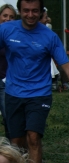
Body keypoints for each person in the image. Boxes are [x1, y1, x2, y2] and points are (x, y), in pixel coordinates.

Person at [0, 0, 69, 163]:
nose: (30, 15)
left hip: (39, 94)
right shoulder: (6, 30)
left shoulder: (49, 37)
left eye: (35, 11)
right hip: (13, 93)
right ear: (20, 11)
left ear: (41, 12)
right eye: (26, 11)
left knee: (33, 137)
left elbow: (66, 65)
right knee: (16, 142)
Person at [0, 4, 16, 138]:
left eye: (11, 17)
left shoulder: (16, 37)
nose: (7, 19)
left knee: (9, 119)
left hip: (6, 83)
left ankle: (13, 154)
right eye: (5, 15)